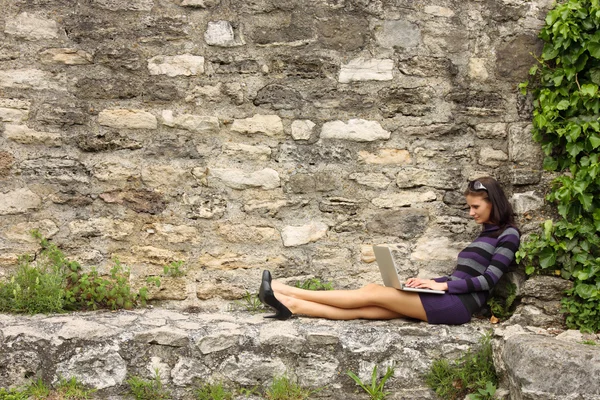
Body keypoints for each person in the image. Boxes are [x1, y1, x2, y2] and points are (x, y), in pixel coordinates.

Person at [258, 177, 521, 325]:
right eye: (470, 207)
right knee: (366, 308)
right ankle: (290, 306)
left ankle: (286, 290)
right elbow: (460, 277)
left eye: (475, 207)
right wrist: (429, 283)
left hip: (458, 306)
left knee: (372, 291)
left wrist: (441, 287)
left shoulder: (508, 234)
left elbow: (488, 281)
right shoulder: (484, 234)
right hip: (450, 296)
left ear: (493, 202)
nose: (471, 212)